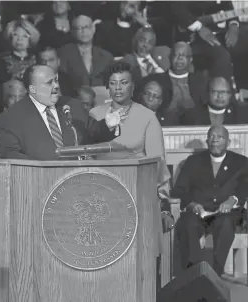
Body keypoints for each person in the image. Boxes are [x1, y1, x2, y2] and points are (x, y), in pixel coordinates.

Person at [89, 61, 172, 253]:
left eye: (124, 82)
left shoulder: (148, 117)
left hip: (137, 191)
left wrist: (164, 204)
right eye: (113, 83)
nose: (118, 88)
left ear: (133, 86)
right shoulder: (95, 114)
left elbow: (157, 163)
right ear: (107, 87)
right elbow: (88, 156)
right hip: (101, 190)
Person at [0, 65, 121, 160]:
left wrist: (109, 126)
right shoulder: (12, 117)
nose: (56, 86)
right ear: (32, 89)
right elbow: (9, 155)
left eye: (56, 80)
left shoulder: (73, 105)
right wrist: (42, 168)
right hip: (37, 183)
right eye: (49, 83)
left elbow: (95, 133)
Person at [172, 125, 248, 275]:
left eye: (220, 137)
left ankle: (215, 274)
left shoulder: (242, 162)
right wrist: (192, 204)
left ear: (228, 142)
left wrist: (233, 199)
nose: (215, 140)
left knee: (225, 224)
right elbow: (179, 190)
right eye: (211, 137)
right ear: (207, 141)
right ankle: (194, 274)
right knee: (188, 225)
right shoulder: (194, 161)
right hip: (198, 213)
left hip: (228, 214)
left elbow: (245, 188)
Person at [140, 42, 208, 114]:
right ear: (170, 56)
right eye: (176, 54)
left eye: (184, 55)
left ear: (190, 59)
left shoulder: (201, 81)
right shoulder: (155, 80)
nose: (179, 58)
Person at [58, 13, 113, 88]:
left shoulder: (107, 56)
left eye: (86, 27)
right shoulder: (64, 53)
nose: (83, 31)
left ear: (93, 29)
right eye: (79, 28)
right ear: (73, 32)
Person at [181, 76, 248, 125]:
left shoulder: (241, 113)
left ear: (230, 95)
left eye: (224, 92)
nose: (219, 96)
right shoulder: (192, 115)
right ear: (208, 93)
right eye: (215, 92)